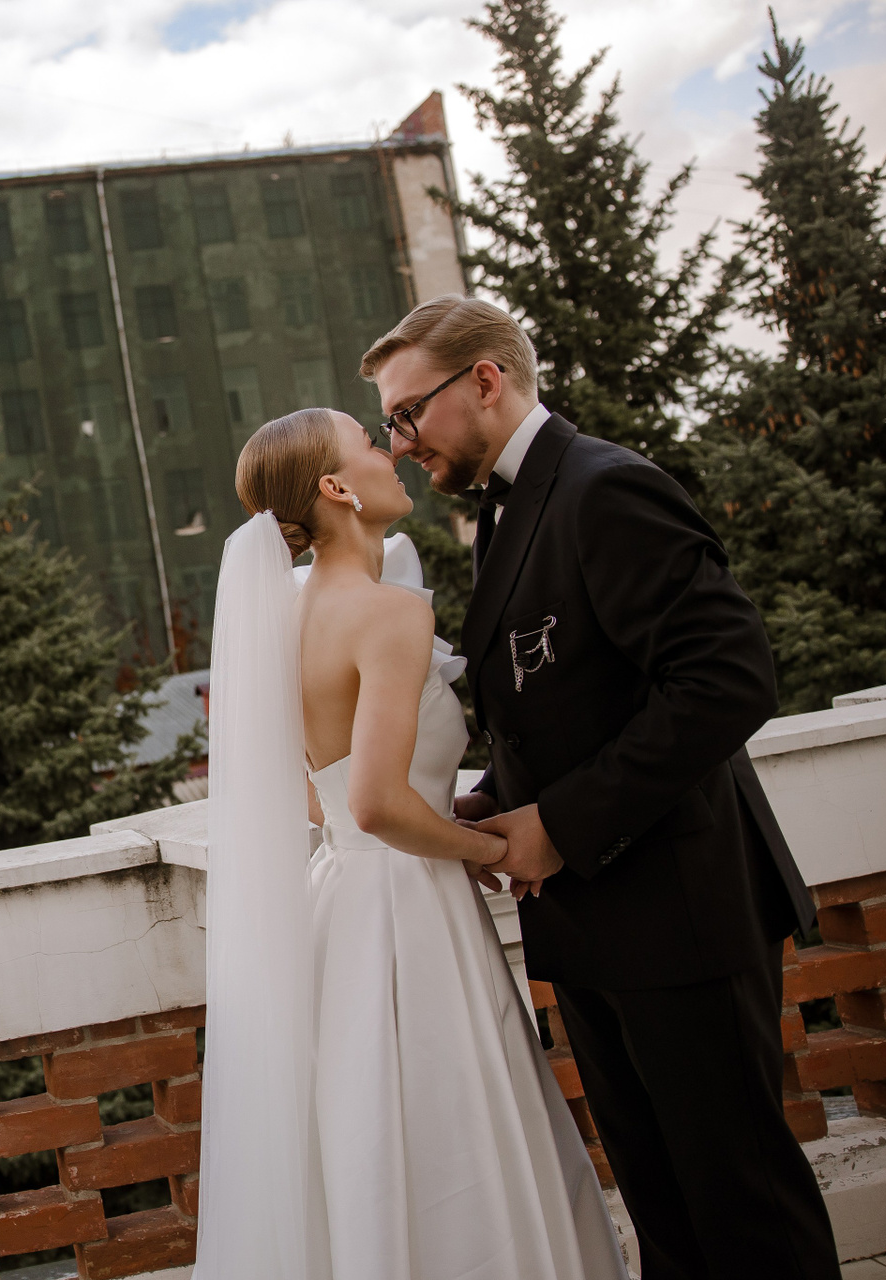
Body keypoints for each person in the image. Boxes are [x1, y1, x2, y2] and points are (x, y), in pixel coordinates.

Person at [364, 294, 838, 1280]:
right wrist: (495, 795)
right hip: (595, 922)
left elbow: (727, 680)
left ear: (485, 380)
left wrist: (562, 824)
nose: (400, 444)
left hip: (682, 914)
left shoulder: (605, 487)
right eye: (390, 423)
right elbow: (575, 694)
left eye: (408, 413)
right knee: (666, 1214)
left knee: (744, 1211)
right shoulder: (504, 509)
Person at [195, 406, 627, 1279]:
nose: (391, 451)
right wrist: (494, 852)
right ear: (337, 487)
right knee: (450, 1126)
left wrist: (442, 812)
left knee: (367, 1134)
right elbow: (379, 804)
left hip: (341, 905)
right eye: (368, 442)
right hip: (409, 911)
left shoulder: (286, 618)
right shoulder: (386, 613)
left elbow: (321, 798)